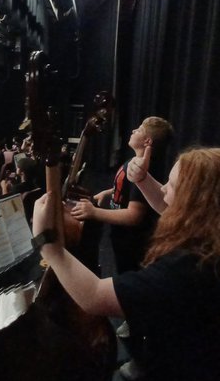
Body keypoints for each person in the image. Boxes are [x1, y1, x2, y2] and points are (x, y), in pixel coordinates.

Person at [30, 147, 220, 381]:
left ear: (195, 203)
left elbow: (94, 296)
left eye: (172, 185)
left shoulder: (189, 268)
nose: (163, 188)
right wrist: (143, 180)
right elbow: (167, 208)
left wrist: (48, 247)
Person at [71, 116, 173, 274]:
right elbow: (127, 187)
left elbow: (134, 215)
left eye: (139, 130)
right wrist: (108, 192)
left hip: (131, 241)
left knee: (127, 275)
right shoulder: (135, 162)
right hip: (120, 235)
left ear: (147, 141)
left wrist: (94, 212)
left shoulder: (146, 170)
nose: (133, 130)